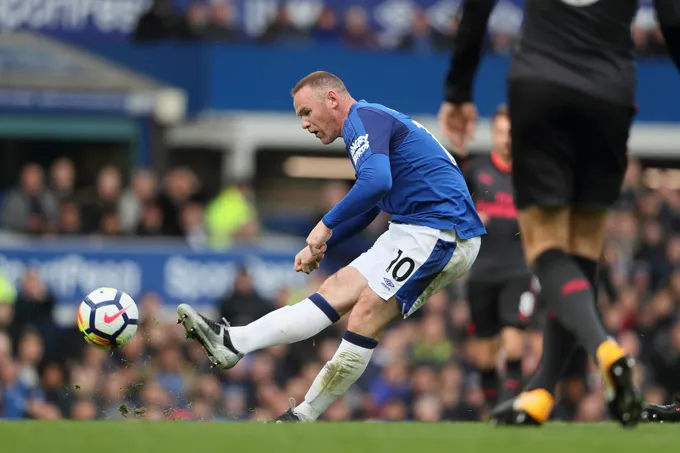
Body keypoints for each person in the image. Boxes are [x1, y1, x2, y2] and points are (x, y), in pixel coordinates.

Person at [177, 71, 486, 422]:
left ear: (333, 100)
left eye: (306, 112)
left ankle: (304, 415)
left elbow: (376, 182)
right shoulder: (367, 124)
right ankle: (234, 342)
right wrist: (325, 241)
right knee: (335, 289)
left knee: (366, 311)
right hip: (410, 228)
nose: (304, 124)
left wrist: (323, 225)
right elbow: (372, 204)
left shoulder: (362, 119)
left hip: (442, 231)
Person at [439, 0, 680, 428]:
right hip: (610, 91)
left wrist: (459, 90)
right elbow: (673, 16)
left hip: (541, 85)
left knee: (548, 247)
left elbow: (477, 7)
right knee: (582, 248)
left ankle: (604, 349)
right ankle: (542, 391)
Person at [463, 105, 535, 407]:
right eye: (502, 132)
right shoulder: (475, 171)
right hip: (481, 271)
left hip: (517, 269)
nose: (507, 139)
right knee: (485, 352)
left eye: (512, 133)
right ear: (493, 134)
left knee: (514, 340)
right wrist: (471, 218)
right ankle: (493, 408)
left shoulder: (530, 176)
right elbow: (455, 210)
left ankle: (511, 406)